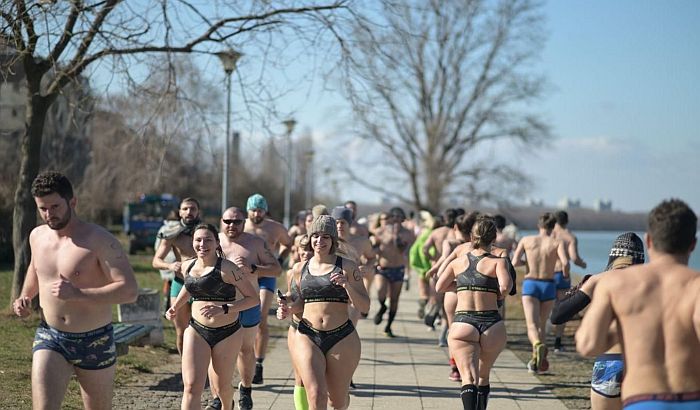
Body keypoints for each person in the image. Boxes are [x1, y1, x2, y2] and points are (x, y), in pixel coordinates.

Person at [13, 171, 138, 410]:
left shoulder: (99, 240)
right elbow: (36, 269)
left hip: (94, 339)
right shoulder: (37, 236)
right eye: (43, 208)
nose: (49, 214)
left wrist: (79, 294)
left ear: (73, 202)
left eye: (55, 206)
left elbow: (129, 290)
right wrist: (25, 296)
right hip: (50, 336)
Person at [576, 199, 700, 410]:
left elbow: (588, 345)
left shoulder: (615, 283)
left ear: (649, 241)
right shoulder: (696, 286)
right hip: (691, 399)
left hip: (642, 400)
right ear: (693, 244)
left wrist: (626, 330)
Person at [277, 215, 370, 410]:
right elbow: (297, 304)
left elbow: (364, 306)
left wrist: (347, 286)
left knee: (337, 402)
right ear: (310, 239)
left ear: (333, 240)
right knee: (316, 394)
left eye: (326, 237)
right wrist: (286, 307)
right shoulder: (298, 269)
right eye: (316, 236)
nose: (320, 241)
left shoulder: (347, 266)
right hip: (308, 335)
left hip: (342, 337)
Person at [165, 223, 258, 410]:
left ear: (217, 243)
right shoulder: (187, 266)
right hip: (197, 330)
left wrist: (225, 308)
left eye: (208, 240)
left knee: (222, 387)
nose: (202, 244)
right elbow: (190, 287)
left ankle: (228, 406)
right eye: (198, 240)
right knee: (191, 386)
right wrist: (175, 306)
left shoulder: (228, 269)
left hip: (227, 333)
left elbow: (253, 299)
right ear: (192, 243)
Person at [551, 232, 645, 410]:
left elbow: (557, 316)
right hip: (642, 365)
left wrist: (582, 288)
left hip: (609, 364)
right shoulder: (651, 283)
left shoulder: (600, 280)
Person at [208, 207, 282, 410]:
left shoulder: (255, 243)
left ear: (244, 222)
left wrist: (254, 268)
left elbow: (276, 269)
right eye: (228, 221)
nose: (232, 225)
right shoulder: (213, 241)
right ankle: (217, 398)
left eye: (237, 221)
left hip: (247, 303)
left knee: (245, 350)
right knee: (215, 352)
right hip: (219, 304)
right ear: (221, 221)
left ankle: (245, 389)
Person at [436, 216, 512, 409]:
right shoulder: (498, 262)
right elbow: (505, 287)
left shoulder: (458, 262)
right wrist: (494, 292)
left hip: (463, 322)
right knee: (483, 376)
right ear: (493, 237)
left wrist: (463, 286)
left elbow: (440, 286)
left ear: (472, 236)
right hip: (491, 324)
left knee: (468, 377)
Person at [243, 193, 292, 384]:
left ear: (265, 210)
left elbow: (288, 243)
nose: (257, 214)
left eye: (260, 210)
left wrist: (279, 260)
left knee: (261, 316)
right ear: (248, 210)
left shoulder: (275, 227)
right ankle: (244, 355)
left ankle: (259, 362)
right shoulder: (242, 225)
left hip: (266, 277)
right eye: (253, 210)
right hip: (246, 278)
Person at [511, 212, 568, 373]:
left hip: (531, 283)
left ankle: (536, 346)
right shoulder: (557, 242)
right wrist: (565, 273)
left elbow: (514, 262)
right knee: (542, 325)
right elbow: (565, 263)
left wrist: (527, 262)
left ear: (539, 225)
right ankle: (539, 361)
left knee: (531, 324)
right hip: (548, 285)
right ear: (553, 227)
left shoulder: (526, 240)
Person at [153, 197, 202, 355]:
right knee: (181, 332)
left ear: (198, 212)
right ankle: (185, 370)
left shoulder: (206, 233)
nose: (189, 212)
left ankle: (204, 372)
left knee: (203, 332)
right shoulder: (172, 234)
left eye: (193, 208)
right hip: (180, 283)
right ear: (180, 212)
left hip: (203, 286)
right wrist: (170, 265)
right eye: (186, 208)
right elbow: (156, 260)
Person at [281, 234, 314, 410]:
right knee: (299, 377)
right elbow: (291, 294)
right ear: (296, 250)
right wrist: (284, 300)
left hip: (316, 329)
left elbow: (305, 302)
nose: (306, 253)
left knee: (319, 379)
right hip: (296, 328)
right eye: (303, 249)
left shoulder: (321, 273)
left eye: (310, 249)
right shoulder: (291, 272)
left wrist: (291, 307)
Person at [372, 207, 415, 337]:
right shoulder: (380, 232)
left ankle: (388, 326)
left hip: (398, 269)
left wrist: (396, 236)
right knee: (380, 293)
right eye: (393, 216)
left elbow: (403, 251)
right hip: (382, 268)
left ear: (403, 219)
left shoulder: (408, 233)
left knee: (394, 300)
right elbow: (373, 248)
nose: (396, 219)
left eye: (399, 217)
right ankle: (382, 307)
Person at [551, 210, 587, 352]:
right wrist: (582, 264)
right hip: (562, 275)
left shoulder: (549, 235)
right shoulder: (569, 237)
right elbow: (574, 257)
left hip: (546, 274)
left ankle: (540, 339)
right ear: (567, 221)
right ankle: (557, 342)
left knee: (545, 307)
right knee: (562, 308)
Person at [155, 210, 181, 311]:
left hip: (165, 260)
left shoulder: (164, 228)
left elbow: (157, 246)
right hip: (178, 260)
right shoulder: (182, 229)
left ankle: (166, 301)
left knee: (167, 282)